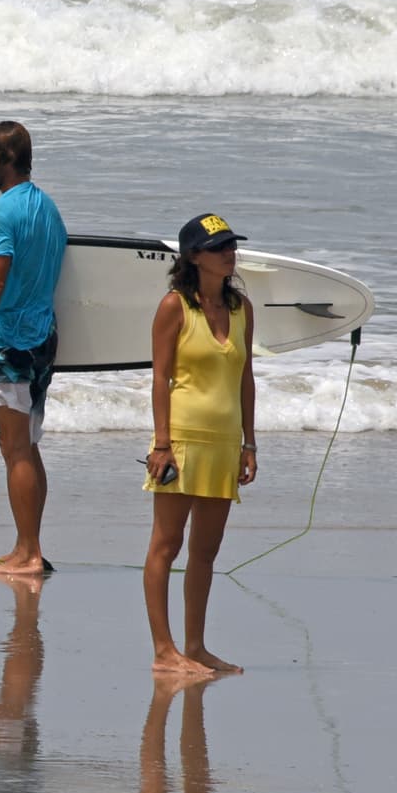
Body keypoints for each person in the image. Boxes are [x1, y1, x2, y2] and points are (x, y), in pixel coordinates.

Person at [142, 213, 256, 675]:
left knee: (206, 551)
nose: (230, 252)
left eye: (232, 245)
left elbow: (245, 376)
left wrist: (250, 443)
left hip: (224, 443)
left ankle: (196, 645)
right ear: (194, 257)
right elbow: (160, 378)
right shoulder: (174, 306)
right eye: (220, 246)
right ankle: (163, 650)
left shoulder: (241, 308)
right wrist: (162, 443)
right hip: (182, 440)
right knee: (166, 546)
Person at [0, 121, 68, 576]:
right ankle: (28, 548)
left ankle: (28, 554)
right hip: (42, 339)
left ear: (6, 159)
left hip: (10, 343)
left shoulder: (2, 213)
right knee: (29, 448)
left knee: (15, 451)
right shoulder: (47, 207)